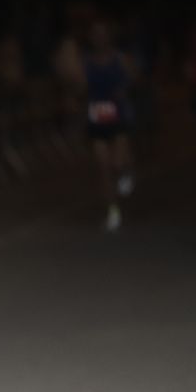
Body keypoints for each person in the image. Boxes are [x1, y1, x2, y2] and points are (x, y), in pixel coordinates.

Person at [80, 20, 135, 233]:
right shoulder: (86, 61)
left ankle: (127, 170)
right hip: (97, 118)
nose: (99, 38)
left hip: (118, 116)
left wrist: (125, 87)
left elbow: (135, 78)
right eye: (95, 34)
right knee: (103, 168)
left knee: (117, 163)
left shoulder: (120, 59)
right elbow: (80, 87)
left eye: (103, 33)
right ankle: (113, 211)